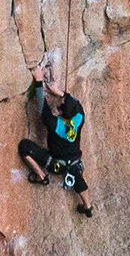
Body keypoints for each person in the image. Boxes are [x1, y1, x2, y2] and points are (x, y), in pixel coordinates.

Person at [19, 76, 90, 216]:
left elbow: (42, 107)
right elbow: (76, 102)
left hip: (55, 164)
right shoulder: (79, 117)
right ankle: (87, 206)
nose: (60, 100)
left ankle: (41, 176)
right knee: (77, 178)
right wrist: (60, 93)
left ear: (61, 112)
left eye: (61, 102)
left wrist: (38, 81)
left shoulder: (54, 124)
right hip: (74, 162)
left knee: (24, 147)